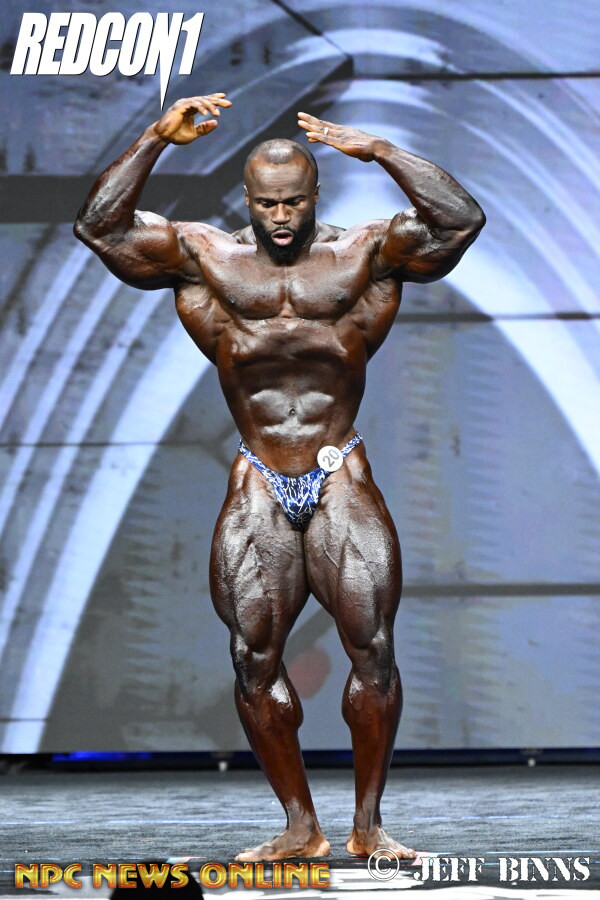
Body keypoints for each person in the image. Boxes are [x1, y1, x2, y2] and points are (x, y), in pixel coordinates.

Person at [74, 93, 485, 862]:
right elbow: (100, 228)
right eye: (267, 203)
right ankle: (301, 826)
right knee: (252, 659)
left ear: (315, 193)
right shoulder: (205, 258)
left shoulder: (363, 254)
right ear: (247, 200)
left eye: (294, 200)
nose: (282, 216)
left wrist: (382, 151)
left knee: (374, 652)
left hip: (338, 472)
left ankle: (368, 826)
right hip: (259, 477)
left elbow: (459, 222)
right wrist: (156, 138)